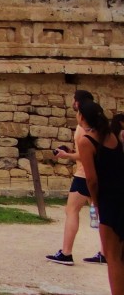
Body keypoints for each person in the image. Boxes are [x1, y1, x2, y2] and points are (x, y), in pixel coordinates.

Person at [47, 90, 104, 265]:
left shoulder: (83, 128)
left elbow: (86, 154)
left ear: (78, 104)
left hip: (84, 175)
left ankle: (66, 252)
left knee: (71, 211)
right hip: (98, 174)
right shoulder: (101, 127)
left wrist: (66, 156)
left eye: (74, 100)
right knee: (102, 215)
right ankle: (106, 252)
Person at [76, 99, 124, 294]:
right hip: (121, 192)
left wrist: (95, 201)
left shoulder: (86, 141)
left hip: (109, 199)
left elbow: (92, 179)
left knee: (112, 257)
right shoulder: (112, 136)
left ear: (82, 117)